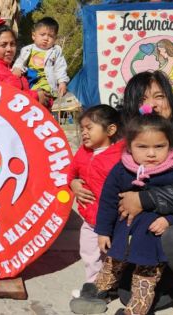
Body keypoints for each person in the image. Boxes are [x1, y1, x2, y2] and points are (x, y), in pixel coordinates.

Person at [78, 71, 173, 314]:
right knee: (127, 291)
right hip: (151, 219)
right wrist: (76, 183)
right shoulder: (134, 139)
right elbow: (111, 185)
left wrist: (146, 199)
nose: (151, 105)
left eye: (159, 96)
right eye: (143, 99)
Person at [71, 110, 173, 315]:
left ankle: (136, 310)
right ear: (129, 147)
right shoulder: (122, 170)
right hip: (123, 233)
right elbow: (108, 203)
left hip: (151, 241)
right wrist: (103, 231)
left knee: (145, 280)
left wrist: (170, 219)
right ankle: (96, 293)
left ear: (170, 145)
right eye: (142, 147)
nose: (151, 153)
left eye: (159, 146)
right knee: (111, 265)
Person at [67, 105, 124, 289]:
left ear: (111, 130)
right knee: (89, 252)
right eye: (82, 128)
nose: (84, 133)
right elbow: (71, 174)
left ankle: (113, 283)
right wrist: (74, 184)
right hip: (90, 220)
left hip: (115, 220)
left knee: (113, 254)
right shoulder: (83, 152)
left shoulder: (121, 156)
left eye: (89, 128)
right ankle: (93, 285)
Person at [12, 16, 69, 107]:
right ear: (34, 36)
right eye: (42, 34)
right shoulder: (27, 49)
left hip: (46, 82)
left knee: (42, 98)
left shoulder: (55, 51)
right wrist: (17, 68)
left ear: (55, 39)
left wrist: (62, 82)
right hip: (30, 80)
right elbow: (20, 61)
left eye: (50, 36)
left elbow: (60, 67)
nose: (46, 38)